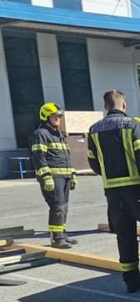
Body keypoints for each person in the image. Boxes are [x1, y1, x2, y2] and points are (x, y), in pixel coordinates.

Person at [88, 91, 140, 294]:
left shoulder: (94, 130)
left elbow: (93, 162)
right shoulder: (133, 125)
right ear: (124, 106)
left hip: (113, 193)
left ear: (106, 107)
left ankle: (131, 280)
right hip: (139, 189)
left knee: (124, 235)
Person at [30, 103, 78, 249]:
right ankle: (56, 239)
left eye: (59, 116)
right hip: (52, 177)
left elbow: (67, 157)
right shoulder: (41, 134)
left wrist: (73, 175)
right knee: (57, 207)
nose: (57, 119)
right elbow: (39, 157)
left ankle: (62, 234)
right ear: (45, 117)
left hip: (64, 177)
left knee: (64, 207)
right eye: (54, 116)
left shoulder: (59, 135)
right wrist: (46, 177)